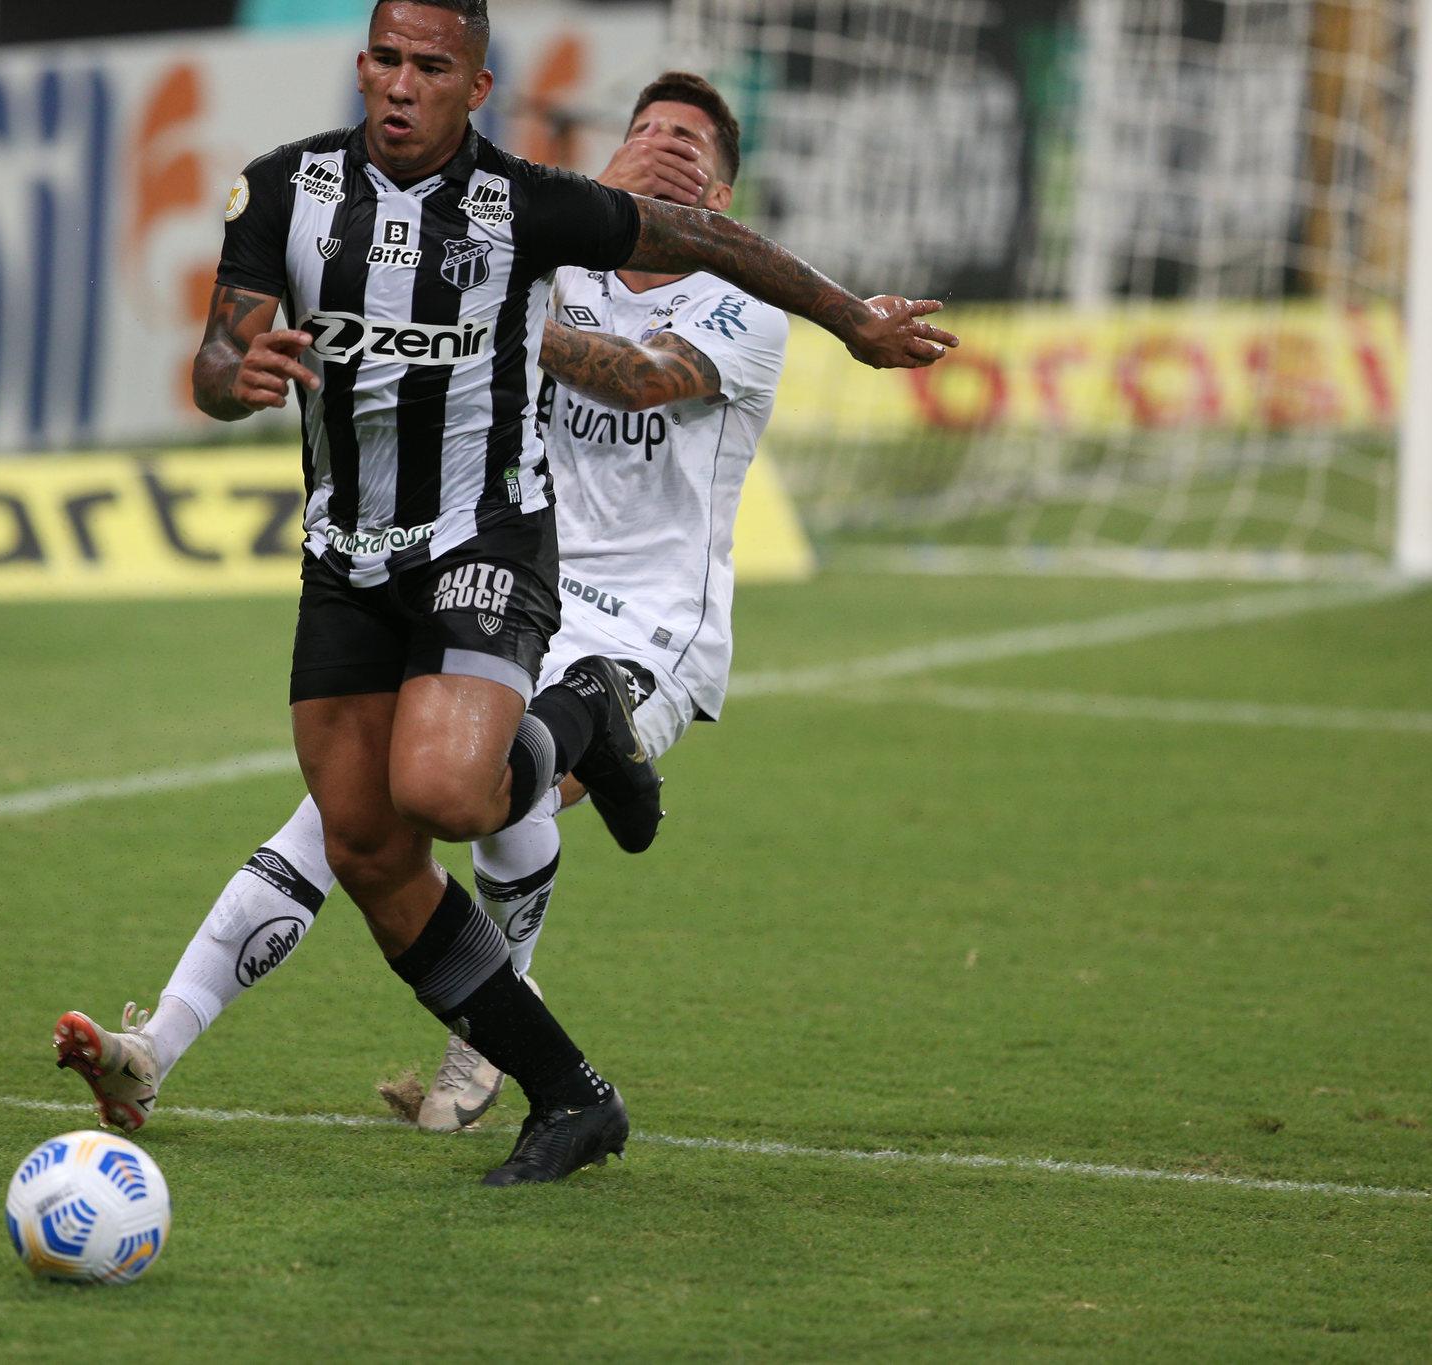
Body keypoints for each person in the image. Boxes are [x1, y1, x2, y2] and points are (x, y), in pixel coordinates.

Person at [59, 2, 956, 1187]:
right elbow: (220, 363)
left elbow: (641, 381)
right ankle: (158, 1048)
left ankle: (498, 1002)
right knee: (349, 831)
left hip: (625, 618)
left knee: (460, 792)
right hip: (366, 560)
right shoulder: (356, 209)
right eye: (654, 129)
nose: (672, 147)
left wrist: (847, 317)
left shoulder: (699, 300)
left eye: (700, 149)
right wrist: (245, 373)